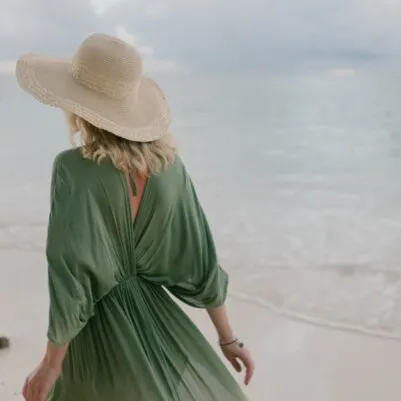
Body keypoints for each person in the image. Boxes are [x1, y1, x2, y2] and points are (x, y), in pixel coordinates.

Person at [16, 33, 254, 401]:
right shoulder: (171, 168)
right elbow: (200, 261)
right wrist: (228, 338)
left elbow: (71, 274)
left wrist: (51, 363)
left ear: (77, 104)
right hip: (156, 326)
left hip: (97, 331)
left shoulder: (72, 169)